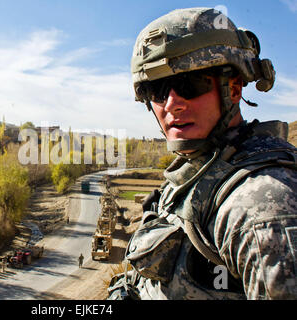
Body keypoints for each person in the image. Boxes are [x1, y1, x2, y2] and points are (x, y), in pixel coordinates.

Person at [107, 7, 297, 300]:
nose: (172, 104)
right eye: (157, 89)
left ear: (233, 89)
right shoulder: (195, 172)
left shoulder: (263, 206)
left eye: (189, 84)